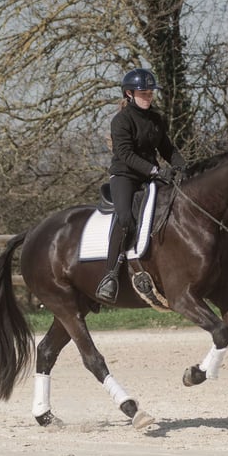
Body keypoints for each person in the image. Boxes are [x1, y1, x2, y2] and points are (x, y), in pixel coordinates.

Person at [95, 68, 186, 303]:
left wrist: (183, 167)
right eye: (143, 93)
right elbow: (125, 153)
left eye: (150, 93)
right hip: (125, 176)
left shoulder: (156, 119)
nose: (148, 97)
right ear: (129, 94)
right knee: (126, 218)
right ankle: (110, 276)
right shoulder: (121, 120)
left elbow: (167, 148)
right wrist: (155, 170)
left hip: (150, 177)